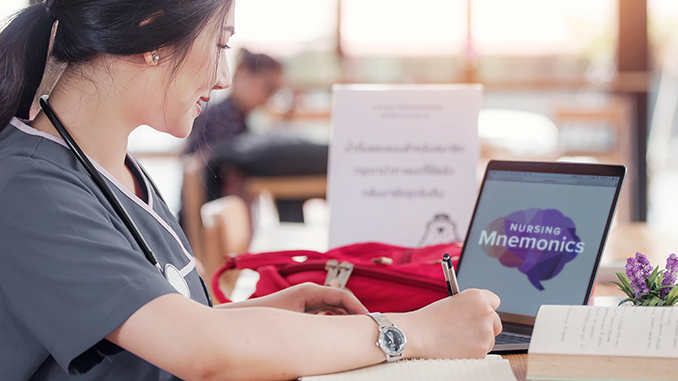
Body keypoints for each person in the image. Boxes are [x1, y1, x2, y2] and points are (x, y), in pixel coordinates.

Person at [0, 1, 502, 380]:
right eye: (221, 44)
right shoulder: (28, 188)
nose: (222, 76)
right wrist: (414, 333)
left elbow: (156, 329)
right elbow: (202, 351)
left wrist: (269, 310)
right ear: (152, 30)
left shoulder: (112, 169)